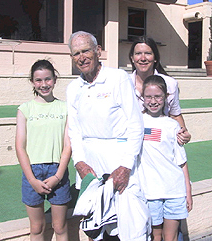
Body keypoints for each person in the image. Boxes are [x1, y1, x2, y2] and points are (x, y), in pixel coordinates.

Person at [67, 31, 151, 241]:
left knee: (126, 230)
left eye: (86, 50)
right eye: (76, 53)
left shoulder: (118, 78)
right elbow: (74, 130)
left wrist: (125, 166)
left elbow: (135, 125)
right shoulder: (72, 88)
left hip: (119, 165)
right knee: (95, 230)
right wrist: (79, 162)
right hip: (90, 168)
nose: (82, 57)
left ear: (98, 51)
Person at [15, 59, 71, 241]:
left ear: (54, 79)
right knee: (37, 227)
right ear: (32, 82)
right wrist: (32, 180)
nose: (44, 84)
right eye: (38, 80)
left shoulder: (65, 108)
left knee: (60, 226)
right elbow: (20, 147)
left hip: (58, 172)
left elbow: (67, 146)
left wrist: (58, 176)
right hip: (33, 172)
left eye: (48, 79)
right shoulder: (25, 109)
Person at [138, 75, 193, 241]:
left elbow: (182, 162)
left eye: (158, 96)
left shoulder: (173, 125)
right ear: (142, 97)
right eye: (148, 96)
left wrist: (188, 192)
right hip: (150, 192)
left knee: (171, 237)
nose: (153, 101)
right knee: (156, 236)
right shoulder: (137, 122)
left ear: (166, 97)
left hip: (174, 191)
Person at [129, 36, 191, 145]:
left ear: (155, 58)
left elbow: (175, 115)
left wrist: (183, 133)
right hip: (131, 142)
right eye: (138, 53)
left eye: (148, 53)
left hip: (159, 143)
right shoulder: (124, 83)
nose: (143, 58)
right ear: (132, 58)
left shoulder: (170, 84)